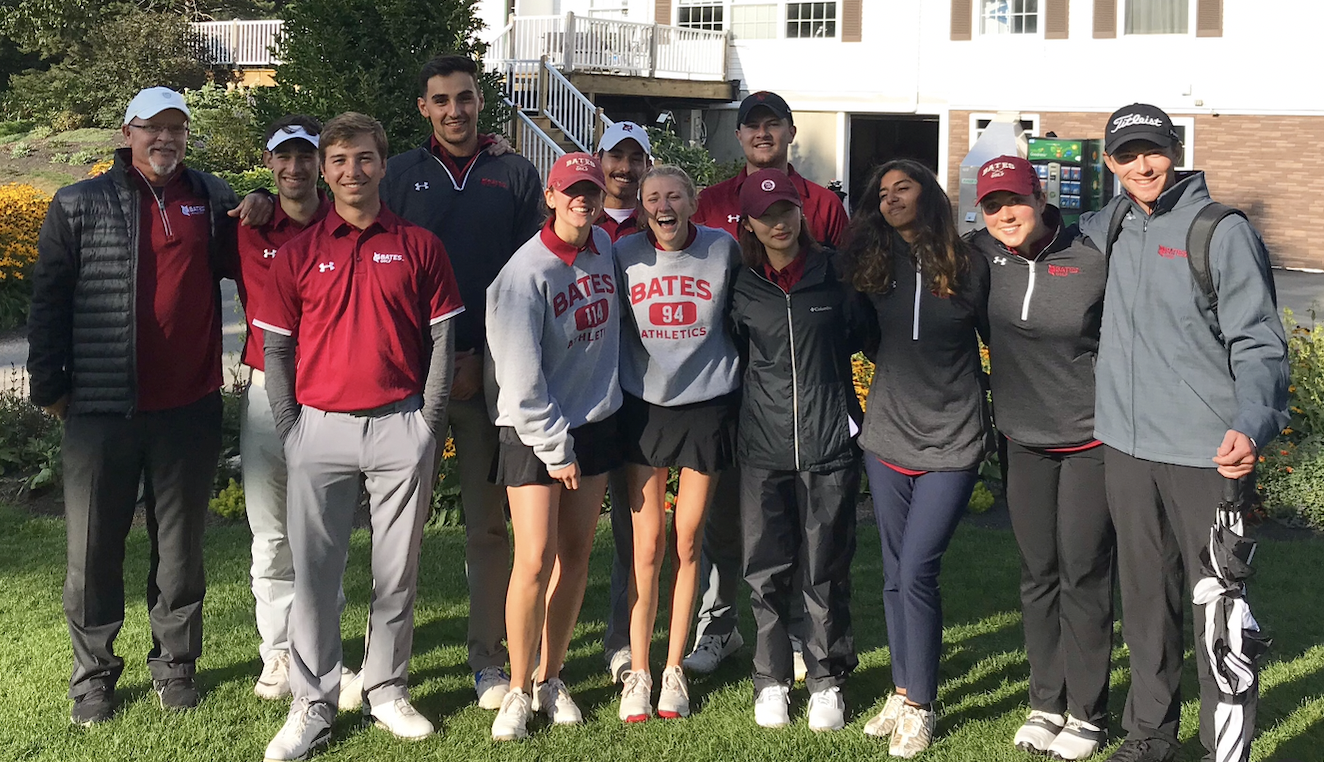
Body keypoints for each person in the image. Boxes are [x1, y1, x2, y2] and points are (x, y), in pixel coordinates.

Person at [1077, 104, 1288, 762]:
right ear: (1109, 163)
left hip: (1206, 453)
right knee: (1146, 602)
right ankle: (1149, 737)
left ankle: (1224, 750)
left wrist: (1251, 422)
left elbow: (1259, 342)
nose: (1142, 165)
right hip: (1127, 449)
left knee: (1220, 611)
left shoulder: (1219, 230)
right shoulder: (1108, 226)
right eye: (1127, 155)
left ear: (1175, 149)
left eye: (1154, 150)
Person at [27, 87, 239, 726]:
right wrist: (49, 387)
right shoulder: (78, 202)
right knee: (94, 550)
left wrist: (260, 198)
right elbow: (49, 298)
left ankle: (175, 665)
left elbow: (266, 244)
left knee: (180, 552)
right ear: (128, 132)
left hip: (189, 406)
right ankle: (93, 676)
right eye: (153, 128)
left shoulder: (211, 199)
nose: (165, 139)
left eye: (177, 128)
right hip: (101, 407)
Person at [256, 112, 464, 761]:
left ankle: (385, 689)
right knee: (315, 577)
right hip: (319, 428)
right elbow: (277, 350)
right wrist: (291, 429)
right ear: (324, 170)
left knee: (395, 574)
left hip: (401, 425)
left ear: (383, 164)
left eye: (365, 158)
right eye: (340, 160)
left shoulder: (419, 245)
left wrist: (428, 426)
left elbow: (443, 342)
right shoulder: (298, 253)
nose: (353, 171)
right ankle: (313, 703)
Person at [379, 53, 545, 710]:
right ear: (423, 107)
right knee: (399, 527)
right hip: (410, 375)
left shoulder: (514, 172)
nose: (455, 111)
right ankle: (384, 662)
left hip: (490, 371)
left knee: (487, 527)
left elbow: (530, 273)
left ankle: (488, 660)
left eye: (465, 97)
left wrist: (476, 354)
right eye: (442, 100)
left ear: (481, 101)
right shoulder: (397, 175)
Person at [685, 90, 849, 679]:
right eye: (751, 125)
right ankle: (719, 624)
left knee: (801, 522)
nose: (762, 133)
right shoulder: (710, 202)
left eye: (772, 124)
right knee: (728, 519)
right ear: (739, 136)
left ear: (790, 131)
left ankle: (803, 635)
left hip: (798, 391)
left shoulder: (821, 203)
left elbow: (842, 291)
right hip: (724, 386)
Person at [968, 156, 1114, 760]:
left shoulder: (1091, 256)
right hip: (1022, 438)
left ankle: (1087, 712)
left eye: (1015, 201)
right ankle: (1045, 702)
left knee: (1083, 572)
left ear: (1041, 199)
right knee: (1038, 574)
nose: (1005, 214)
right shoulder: (981, 254)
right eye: (992, 205)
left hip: (1088, 439)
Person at [846, 159, 990, 758]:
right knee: (892, 570)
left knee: (917, 571)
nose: (891, 198)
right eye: (883, 193)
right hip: (887, 438)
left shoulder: (969, 263)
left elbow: (1002, 340)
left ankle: (923, 707)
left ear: (928, 194)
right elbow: (863, 337)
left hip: (952, 440)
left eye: (902, 188)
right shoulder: (874, 265)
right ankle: (903, 690)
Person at [485, 152, 623, 741]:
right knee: (535, 558)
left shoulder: (605, 248)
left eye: (591, 191)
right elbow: (519, 378)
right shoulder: (524, 274)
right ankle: (517, 688)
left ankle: (551, 676)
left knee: (576, 555)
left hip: (593, 423)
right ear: (551, 196)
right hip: (533, 429)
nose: (582, 201)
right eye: (571, 191)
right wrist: (555, 448)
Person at [234, 115, 363, 707]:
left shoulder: (346, 225)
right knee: (271, 535)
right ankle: (279, 652)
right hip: (268, 389)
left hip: (327, 391)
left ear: (321, 163)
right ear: (269, 162)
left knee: (324, 533)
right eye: (283, 157)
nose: (294, 168)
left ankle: (322, 649)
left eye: (305, 156)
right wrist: (252, 198)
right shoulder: (245, 224)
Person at [730, 168, 864, 732]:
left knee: (824, 564)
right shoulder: (741, 284)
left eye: (785, 211)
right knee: (765, 567)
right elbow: (736, 352)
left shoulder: (835, 273)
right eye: (765, 217)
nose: (778, 224)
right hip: (762, 444)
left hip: (828, 440)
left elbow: (863, 337)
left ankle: (826, 677)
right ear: (749, 225)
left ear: (800, 212)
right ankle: (771, 679)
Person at [612, 165, 742, 722]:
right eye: (652, 198)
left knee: (688, 541)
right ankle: (639, 671)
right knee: (647, 546)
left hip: (707, 407)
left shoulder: (723, 249)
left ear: (692, 201)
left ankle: (673, 670)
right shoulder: (623, 253)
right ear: (642, 207)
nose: (663, 207)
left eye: (673, 196)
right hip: (645, 409)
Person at [592, 120, 657, 682]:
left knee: (632, 529)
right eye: (617, 157)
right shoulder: (577, 217)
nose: (626, 168)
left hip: (637, 392)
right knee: (556, 534)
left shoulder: (657, 224)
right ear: (599, 159)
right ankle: (540, 649)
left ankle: (622, 642)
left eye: (636, 159)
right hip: (582, 390)